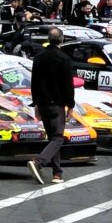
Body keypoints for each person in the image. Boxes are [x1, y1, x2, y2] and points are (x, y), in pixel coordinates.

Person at [28, 27, 75, 185]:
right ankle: (39, 162)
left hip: (42, 103)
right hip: (57, 104)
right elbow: (68, 85)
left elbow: (34, 82)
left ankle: (57, 173)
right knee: (57, 138)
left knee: (53, 138)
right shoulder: (64, 58)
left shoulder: (39, 57)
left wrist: (35, 103)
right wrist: (71, 105)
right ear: (61, 40)